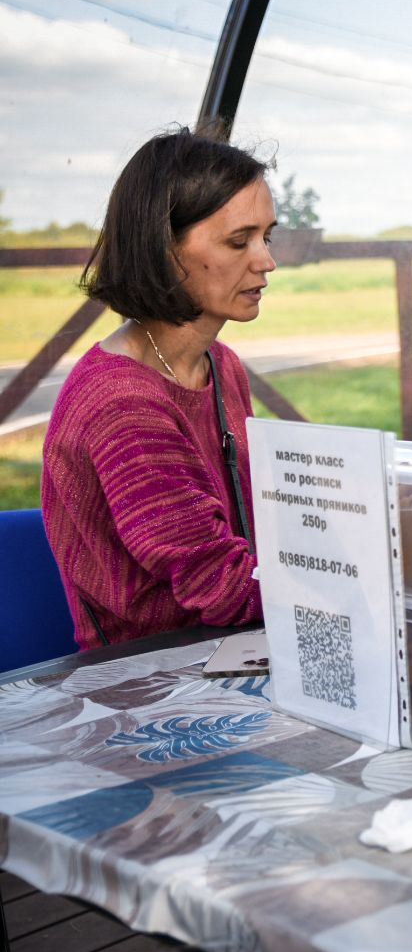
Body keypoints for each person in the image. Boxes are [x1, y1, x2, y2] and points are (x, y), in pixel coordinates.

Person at [41, 127, 276, 648]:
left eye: (267, 237)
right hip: (150, 676)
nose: (265, 261)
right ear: (163, 249)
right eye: (239, 241)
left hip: (236, 644)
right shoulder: (124, 402)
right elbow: (220, 588)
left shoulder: (222, 365)